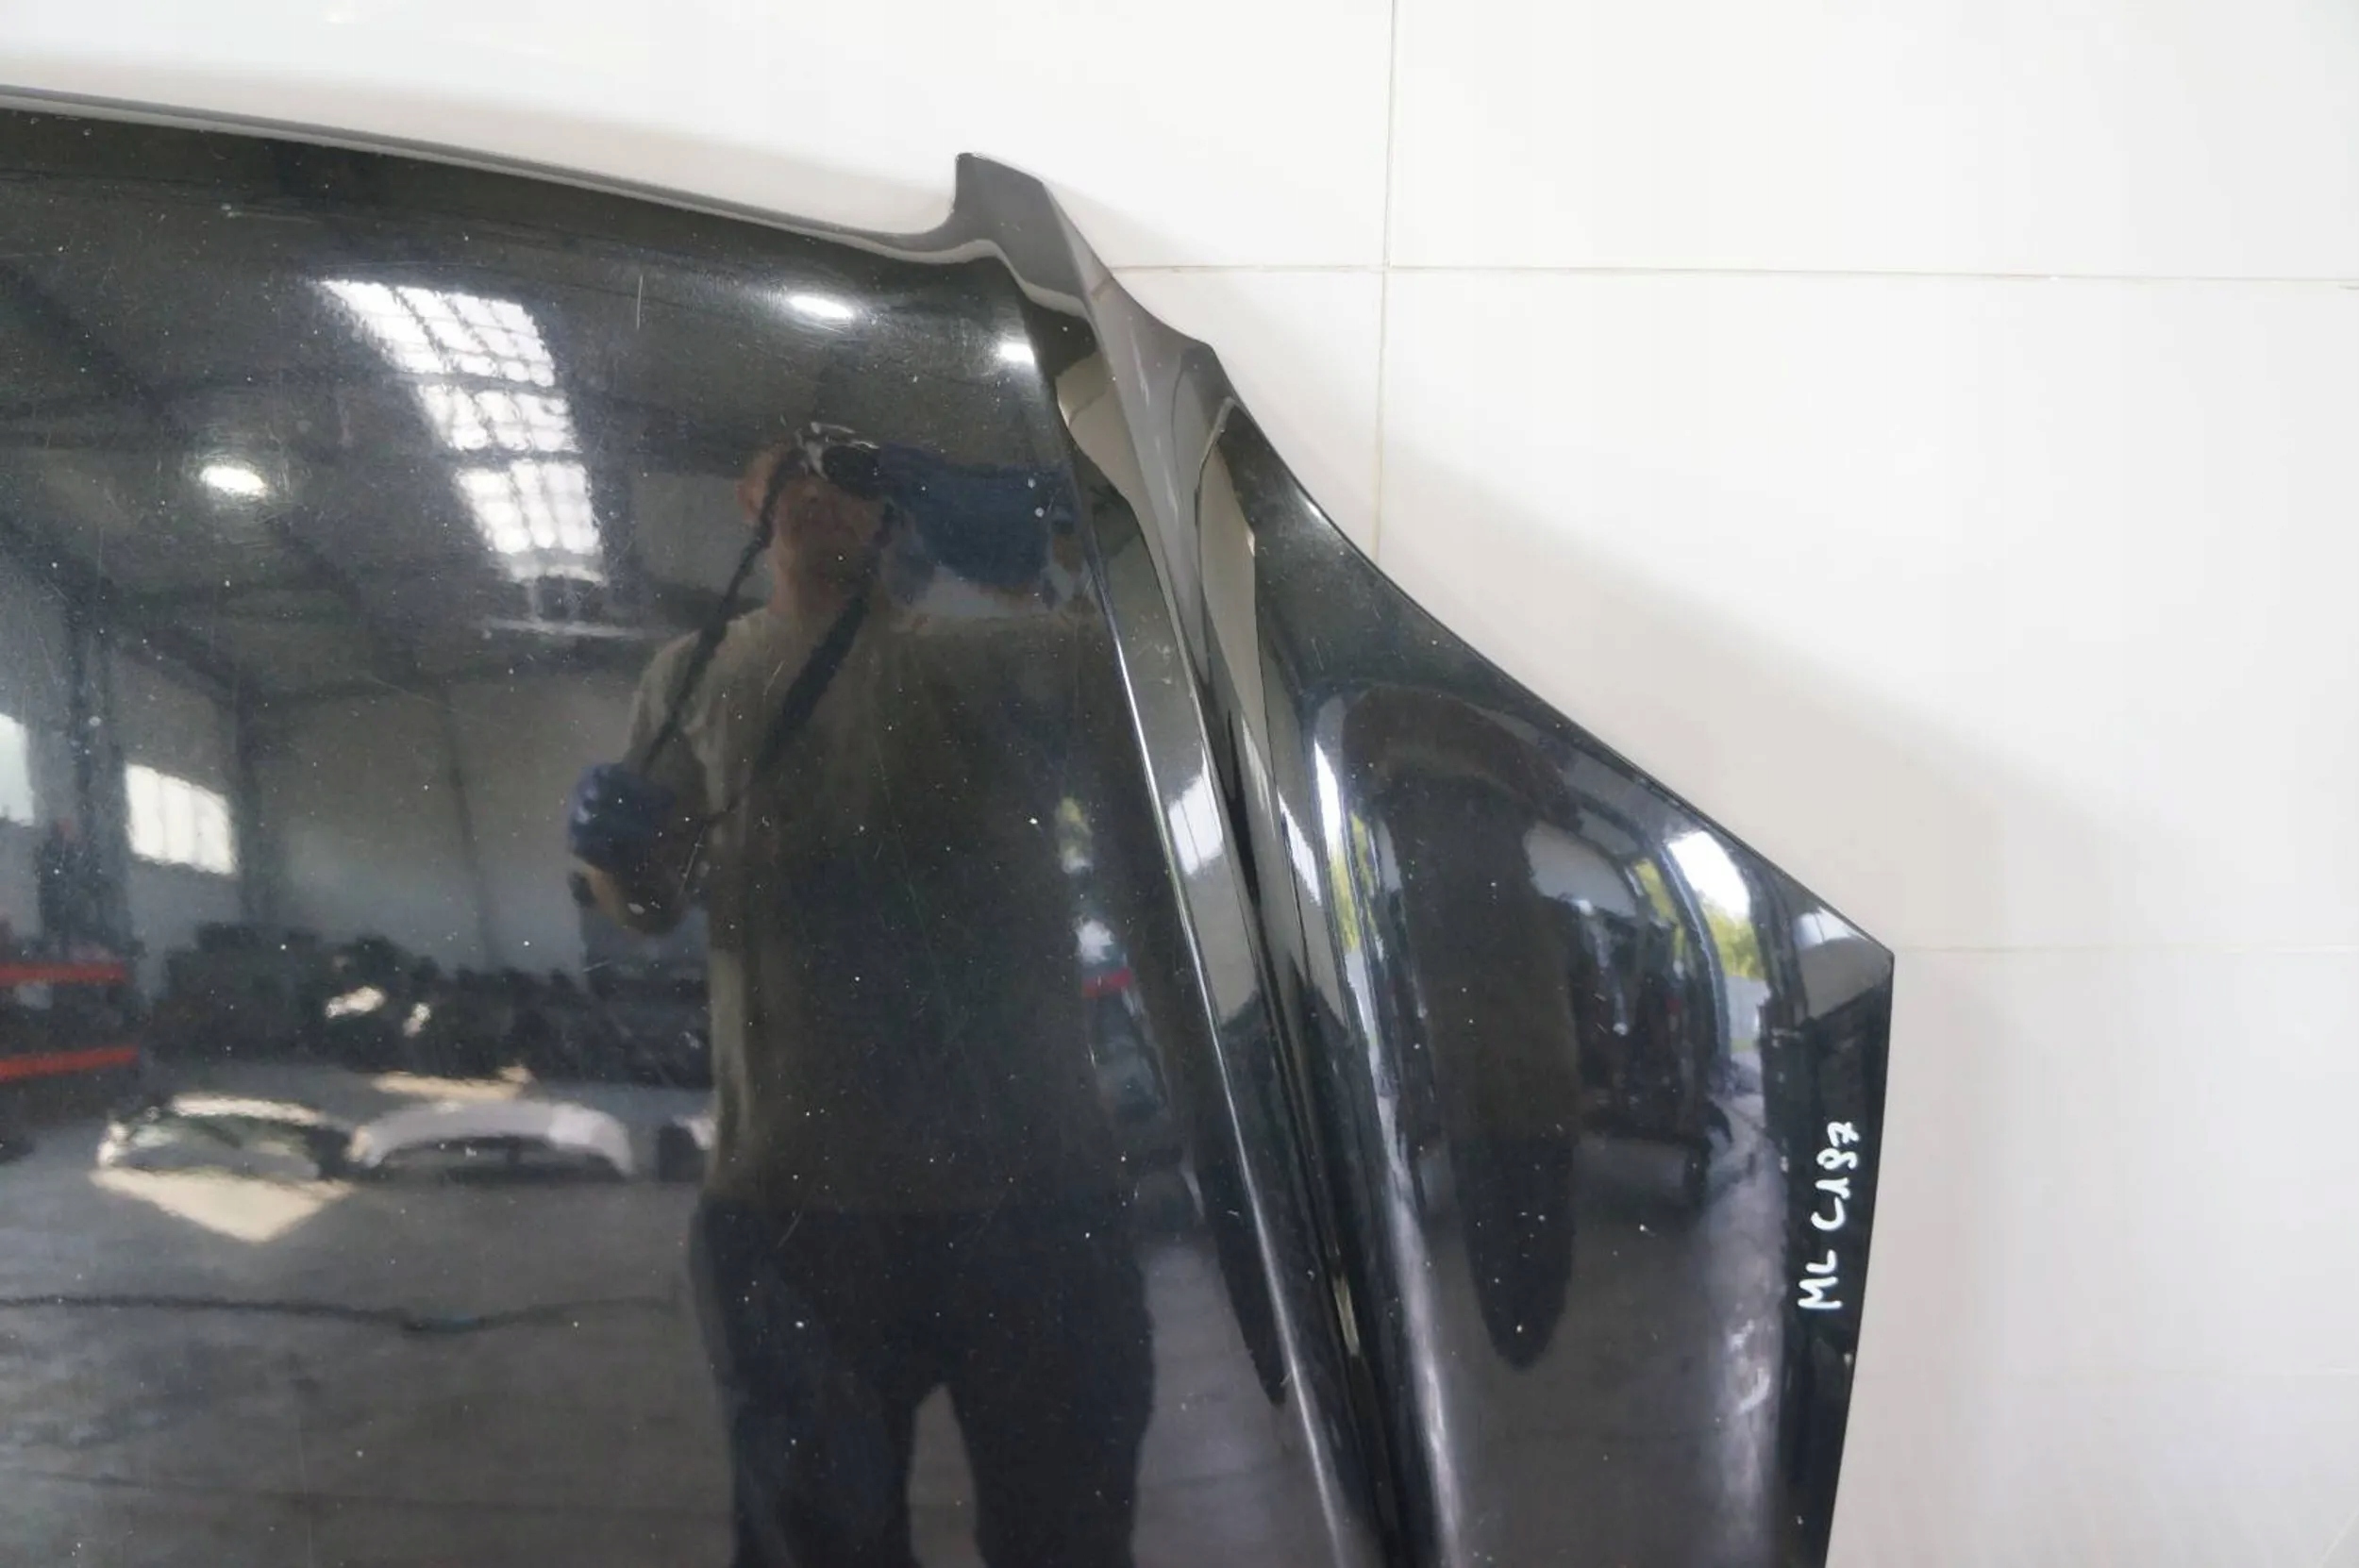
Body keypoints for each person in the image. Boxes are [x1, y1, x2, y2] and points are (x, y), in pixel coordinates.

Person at [571, 425, 1165, 1568]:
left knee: (1069, 1536)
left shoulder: (989, 658)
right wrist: (611, 853)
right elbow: (649, 898)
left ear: (892, 507)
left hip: (1030, 1186)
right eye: (789, 468)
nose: (817, 488)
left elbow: (1130, 685)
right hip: (799, 1198)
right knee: (816, 1545)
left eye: (849, 472)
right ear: (750, 498)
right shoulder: (694, 672)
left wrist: (1049, 542)